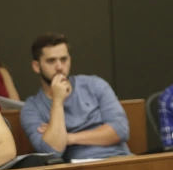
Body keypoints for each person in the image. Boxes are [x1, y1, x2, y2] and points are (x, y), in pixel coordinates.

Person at [20, 33, 130, 161]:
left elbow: (121, 130)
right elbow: (52, 152)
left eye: (64, 59)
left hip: (121, 159)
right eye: (51, 61)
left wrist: (69, 138)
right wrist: (58, 101)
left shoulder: (94, 85)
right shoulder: (31, 108)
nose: (59, 67)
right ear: (36, 66)